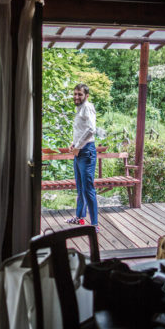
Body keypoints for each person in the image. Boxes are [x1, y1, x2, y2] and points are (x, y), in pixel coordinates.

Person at [66, 83, 99, 232]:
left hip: (86, 152)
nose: (76, 97)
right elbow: (82, 130)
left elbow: (91, 130)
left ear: (86, 96)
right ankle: (80, 218)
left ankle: (94, 225)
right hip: (79, 151)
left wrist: (78, 146)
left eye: (79, 94)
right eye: (75, 94)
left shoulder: (87, 107)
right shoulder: (79, 109)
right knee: (80, 188)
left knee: (88, 189)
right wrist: (74, 144)